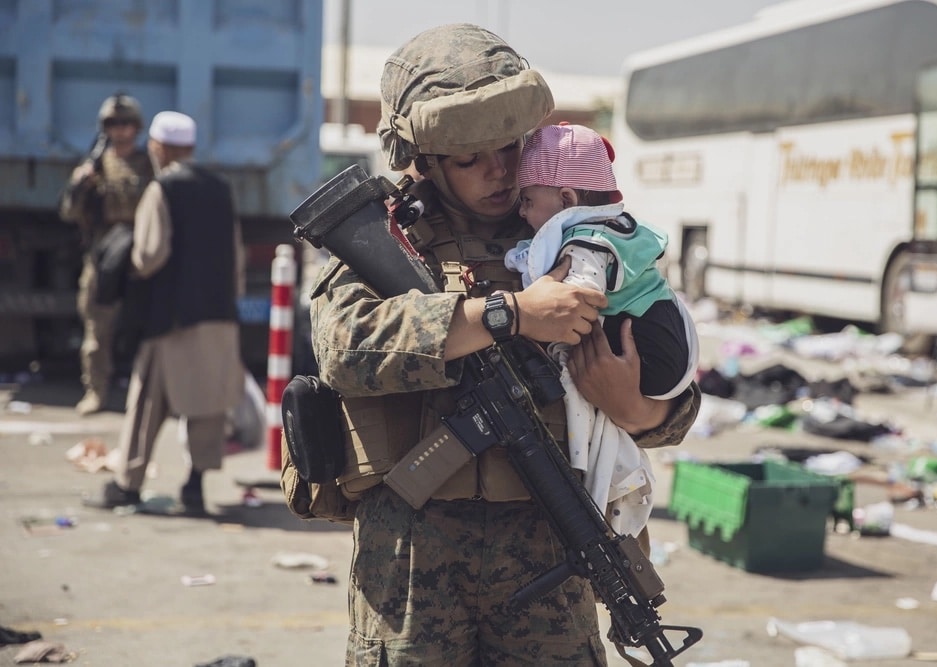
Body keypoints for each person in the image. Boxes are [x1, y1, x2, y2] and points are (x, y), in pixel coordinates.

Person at [308, 24, 701, 665]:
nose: (500, 173)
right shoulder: (386, 240)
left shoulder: (580, 238)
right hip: (414, 554)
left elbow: (670, 380)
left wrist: (635, 408)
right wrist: (509, 313)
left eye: (510, 149)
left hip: (550, 539)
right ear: (427, 160)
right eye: (470, 159)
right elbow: (346, 350)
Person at [505, 123, 699, 536]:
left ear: (567, 199)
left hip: (650, 356)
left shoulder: (588, 239)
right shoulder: (603, 227)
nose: (520, 212)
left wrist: (529, 311)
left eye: (526, 200)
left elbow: (580, 294)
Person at [83, 111, 245, 515]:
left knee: (147, 400)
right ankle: (194, 488)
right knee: (208, 405)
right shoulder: (221, 189)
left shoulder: (163, 188)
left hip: (172, 317)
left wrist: (129, 267)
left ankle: (128, 484)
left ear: (161, 147)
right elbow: (237, 257)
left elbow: (150, 255)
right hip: (218, 315)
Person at [59, 93, 155, 415]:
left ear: (136, 127)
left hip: (140, 253)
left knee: (149, 329)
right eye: (113, 124)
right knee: (97, 327)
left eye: (126, 123)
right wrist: (80, 185)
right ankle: (96, 391)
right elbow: (70, 213)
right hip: (104, 254)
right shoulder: (94, 166)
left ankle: (150, 395)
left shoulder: (148, 164)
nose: (120, 130)